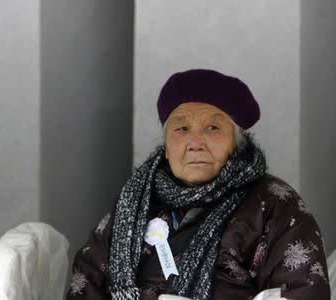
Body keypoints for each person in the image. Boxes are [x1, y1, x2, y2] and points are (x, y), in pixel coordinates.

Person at [66, 69, 331, 300]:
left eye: (213, 128)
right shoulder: (134, 202)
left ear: (237, 143)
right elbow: (87, 279)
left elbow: (302, 290)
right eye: (181, 129)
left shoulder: (274, 204)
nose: (196, 141)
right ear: (167, 147)